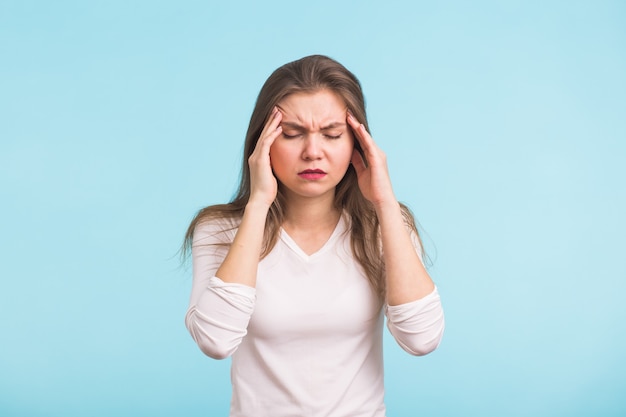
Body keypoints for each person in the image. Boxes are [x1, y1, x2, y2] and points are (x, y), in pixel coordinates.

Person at [183, 55, 444, 417]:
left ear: (358, 142)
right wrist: (258, 203)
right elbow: (216, 341)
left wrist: (385, 204)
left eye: (332, 134)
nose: (313, 152)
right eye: (291, 134)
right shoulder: (218, 230)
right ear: (264, 143)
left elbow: (422, 339)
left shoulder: (385, 226)